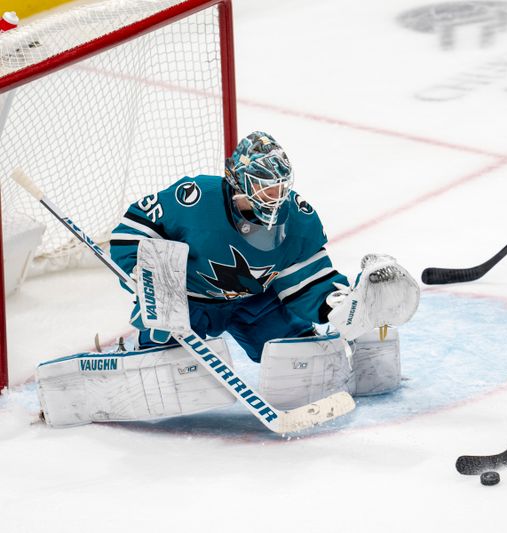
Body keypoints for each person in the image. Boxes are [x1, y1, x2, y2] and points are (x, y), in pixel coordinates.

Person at [35, 131, 419, 427]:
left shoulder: (297, 217)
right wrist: (143, 272)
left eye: (280, 185)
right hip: (187, 300)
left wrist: (333, 304)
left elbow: (304, 276)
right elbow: (133, 229)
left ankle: (351, 353)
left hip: (256, 302)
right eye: (266, 185)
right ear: (238, 179)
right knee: (166, 364)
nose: (276, 195)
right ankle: (126, 363)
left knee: (300, 356)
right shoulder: (194, 198)